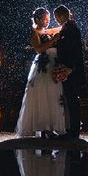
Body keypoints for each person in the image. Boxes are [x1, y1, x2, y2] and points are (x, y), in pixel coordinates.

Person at [15, 7, 66, 138]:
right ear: (37, 19)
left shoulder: (46, 30)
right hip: (43, 65)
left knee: (53, 94)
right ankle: (44, 128)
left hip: (53, 64)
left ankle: (51, 126)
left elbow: (61, 28)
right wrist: (53, 40)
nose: (47, 21)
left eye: (48, 19)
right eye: (44, 19)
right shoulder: (34, 32)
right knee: (43, 95)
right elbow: (38, 49)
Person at [52, 5, 85, 140]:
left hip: (70, 69)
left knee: (71, 100)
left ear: (62, 16)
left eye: (56, 17)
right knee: (71, 100)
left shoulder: (70, 29)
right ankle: (72, 129)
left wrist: (70, 67)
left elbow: (72, 50)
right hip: (70, 68)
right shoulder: (70, 27)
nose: (56, 20)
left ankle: (73, 131)